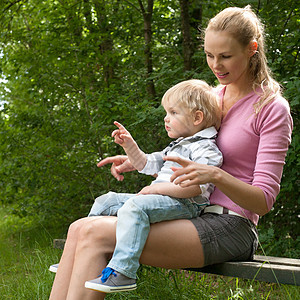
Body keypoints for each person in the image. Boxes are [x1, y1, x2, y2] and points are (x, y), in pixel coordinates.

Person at [49, 6, 293, 300]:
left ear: (252, 49)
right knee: (80, 227)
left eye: (226, 56)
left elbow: (263, 201)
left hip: (231, 225)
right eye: (209, 55)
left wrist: (217, 175)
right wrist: (141, 162)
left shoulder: (271, 108)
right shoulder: (209, 99)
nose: (216, 64)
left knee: (95, 233)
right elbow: (185, 164)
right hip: (189, 212)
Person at [83, 79, 223, 293]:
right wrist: (130, 145)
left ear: (197, 118)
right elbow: (145, 163)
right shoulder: (177, 145)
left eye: (173, 113)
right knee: (107, 200)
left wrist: (156, 189)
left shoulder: (206, 149)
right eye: (166, 113)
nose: (166, 119)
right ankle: (86, 256)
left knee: (135, 207)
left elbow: (195, 189)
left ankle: (124, 271)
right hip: (161, 198)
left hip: (185, 203)